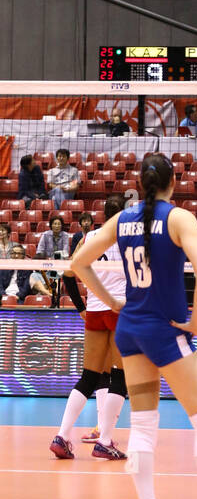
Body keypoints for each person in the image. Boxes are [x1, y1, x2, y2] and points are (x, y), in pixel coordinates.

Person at [69, 152, 197, 499]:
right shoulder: (178, 218)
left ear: (140, 185)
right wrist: (195, 322)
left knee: (142, 425)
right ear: (173, 182)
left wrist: (112, 303)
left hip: (131, 330)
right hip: (165, 332)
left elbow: (78, 263)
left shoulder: (121, 219)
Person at [50, 195, 129, 461]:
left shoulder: (89, 237)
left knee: (89, 376)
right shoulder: (134, 238)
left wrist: (80, 307)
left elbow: (69, 273)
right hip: (120, 310)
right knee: (119, 377)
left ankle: (61, 435)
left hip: (95, 311)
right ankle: (105, 441)